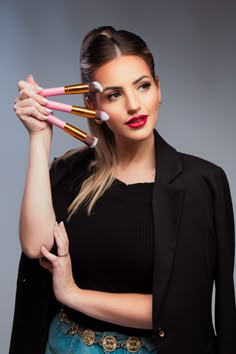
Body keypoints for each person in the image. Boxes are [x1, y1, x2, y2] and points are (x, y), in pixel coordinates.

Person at [10, 26, 236, 354]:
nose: (133, 105)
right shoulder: (69, 172)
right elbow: (35, 247)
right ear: (92, 105)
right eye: (114, 94)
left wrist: (73, 294)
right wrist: (39, 139)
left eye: (142, 86)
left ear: (158, 89)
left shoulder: (202, 183)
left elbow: (178, 309)